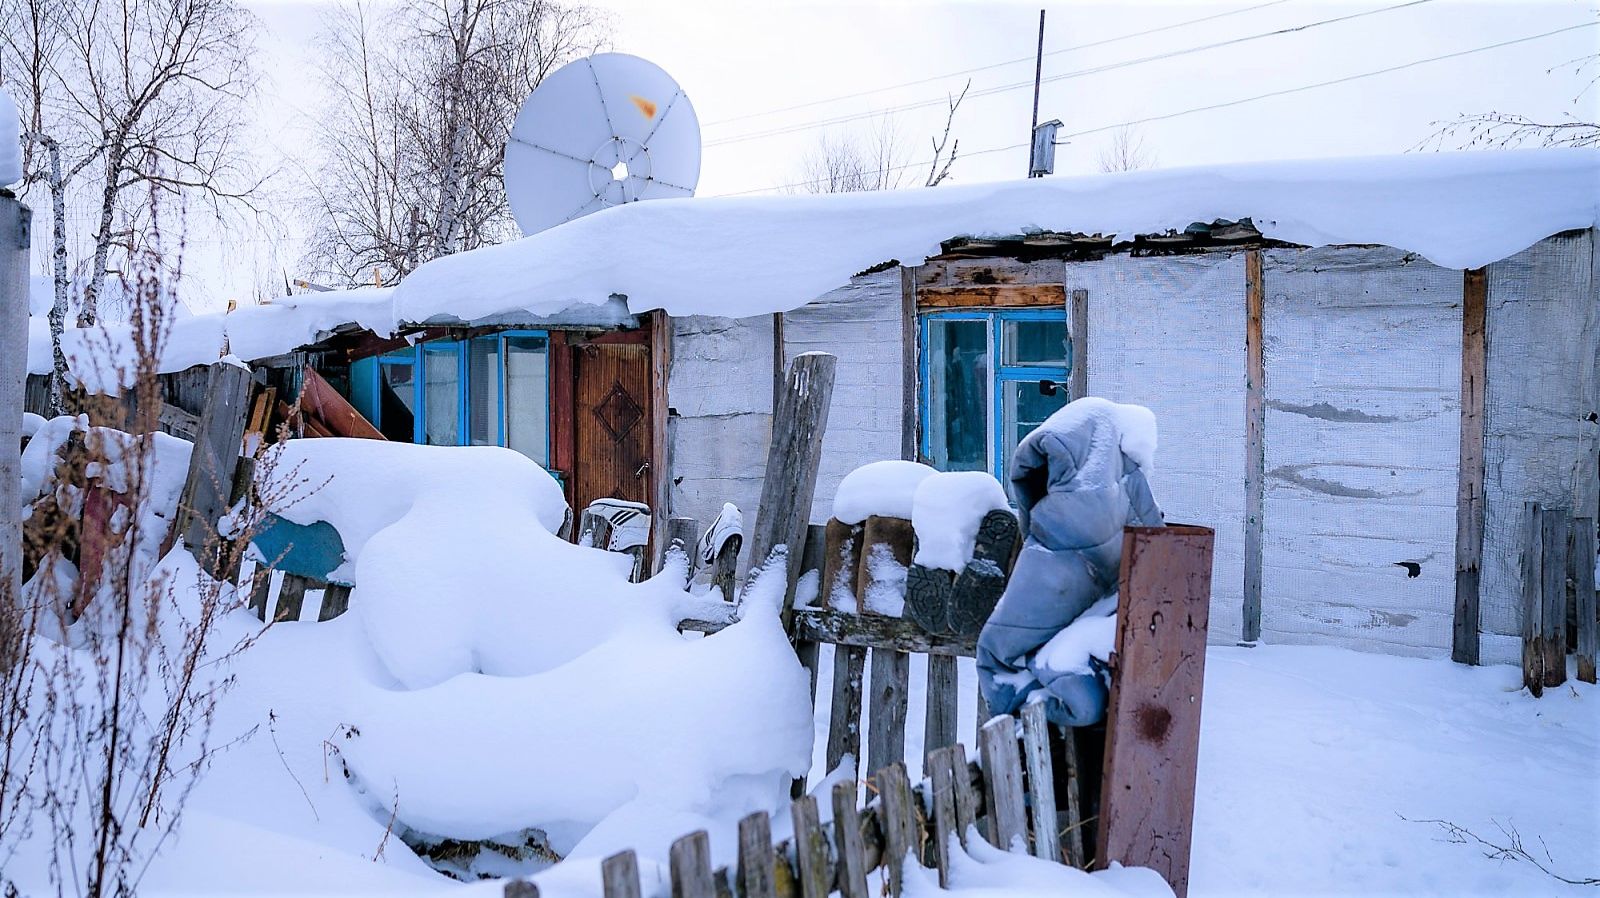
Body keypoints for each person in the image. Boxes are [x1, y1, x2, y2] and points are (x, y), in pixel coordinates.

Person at [975, 397, 1163, 727]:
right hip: (1129, 687)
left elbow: (996, 652)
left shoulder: (1056, 532)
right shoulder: (1129, 493)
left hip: (1065, 699)